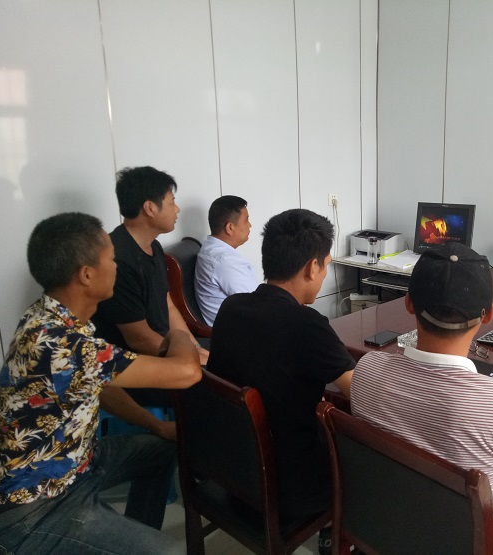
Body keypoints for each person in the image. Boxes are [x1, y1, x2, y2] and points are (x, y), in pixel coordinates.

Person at [0, 212, 202, 554]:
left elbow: (100, 389)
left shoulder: (48, 315)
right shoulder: (64, 345)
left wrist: (155, 425)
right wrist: (178, 334)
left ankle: (127, 537)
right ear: (86, 275)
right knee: (167, 552)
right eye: (111, 260)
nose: (116, 267)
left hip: (78, 464)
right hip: (34, 509)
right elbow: (187, 372)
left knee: (159, 452)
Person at [350, 243, 493, 555]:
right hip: (482, 546)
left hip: (388, 532)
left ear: (408, 302)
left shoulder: (366, 370)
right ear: (489, 314)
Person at [207, 208, 356, 525]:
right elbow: (359, 394)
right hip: (288, 490)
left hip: (231, 471)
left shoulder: (231, 309)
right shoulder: (307, 324)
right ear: (312, 267)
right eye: (327, 265)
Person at [92, 166, 208, 436]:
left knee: (220, 369)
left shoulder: (153, 247)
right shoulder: (117, 258)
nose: (177, 209)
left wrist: (194, 348)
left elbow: (168, 305)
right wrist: (192, 360)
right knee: (214, 388)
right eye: (172, 201)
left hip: (165, 352)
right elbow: (140, 340)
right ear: (150, 208)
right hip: (131, 370)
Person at [195, 195, 258, 326]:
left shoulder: (214, 252)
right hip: (239, 331)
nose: (250, 225)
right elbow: (256, 305)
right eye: (246, 220)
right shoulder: (223, 261)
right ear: (230, 227)